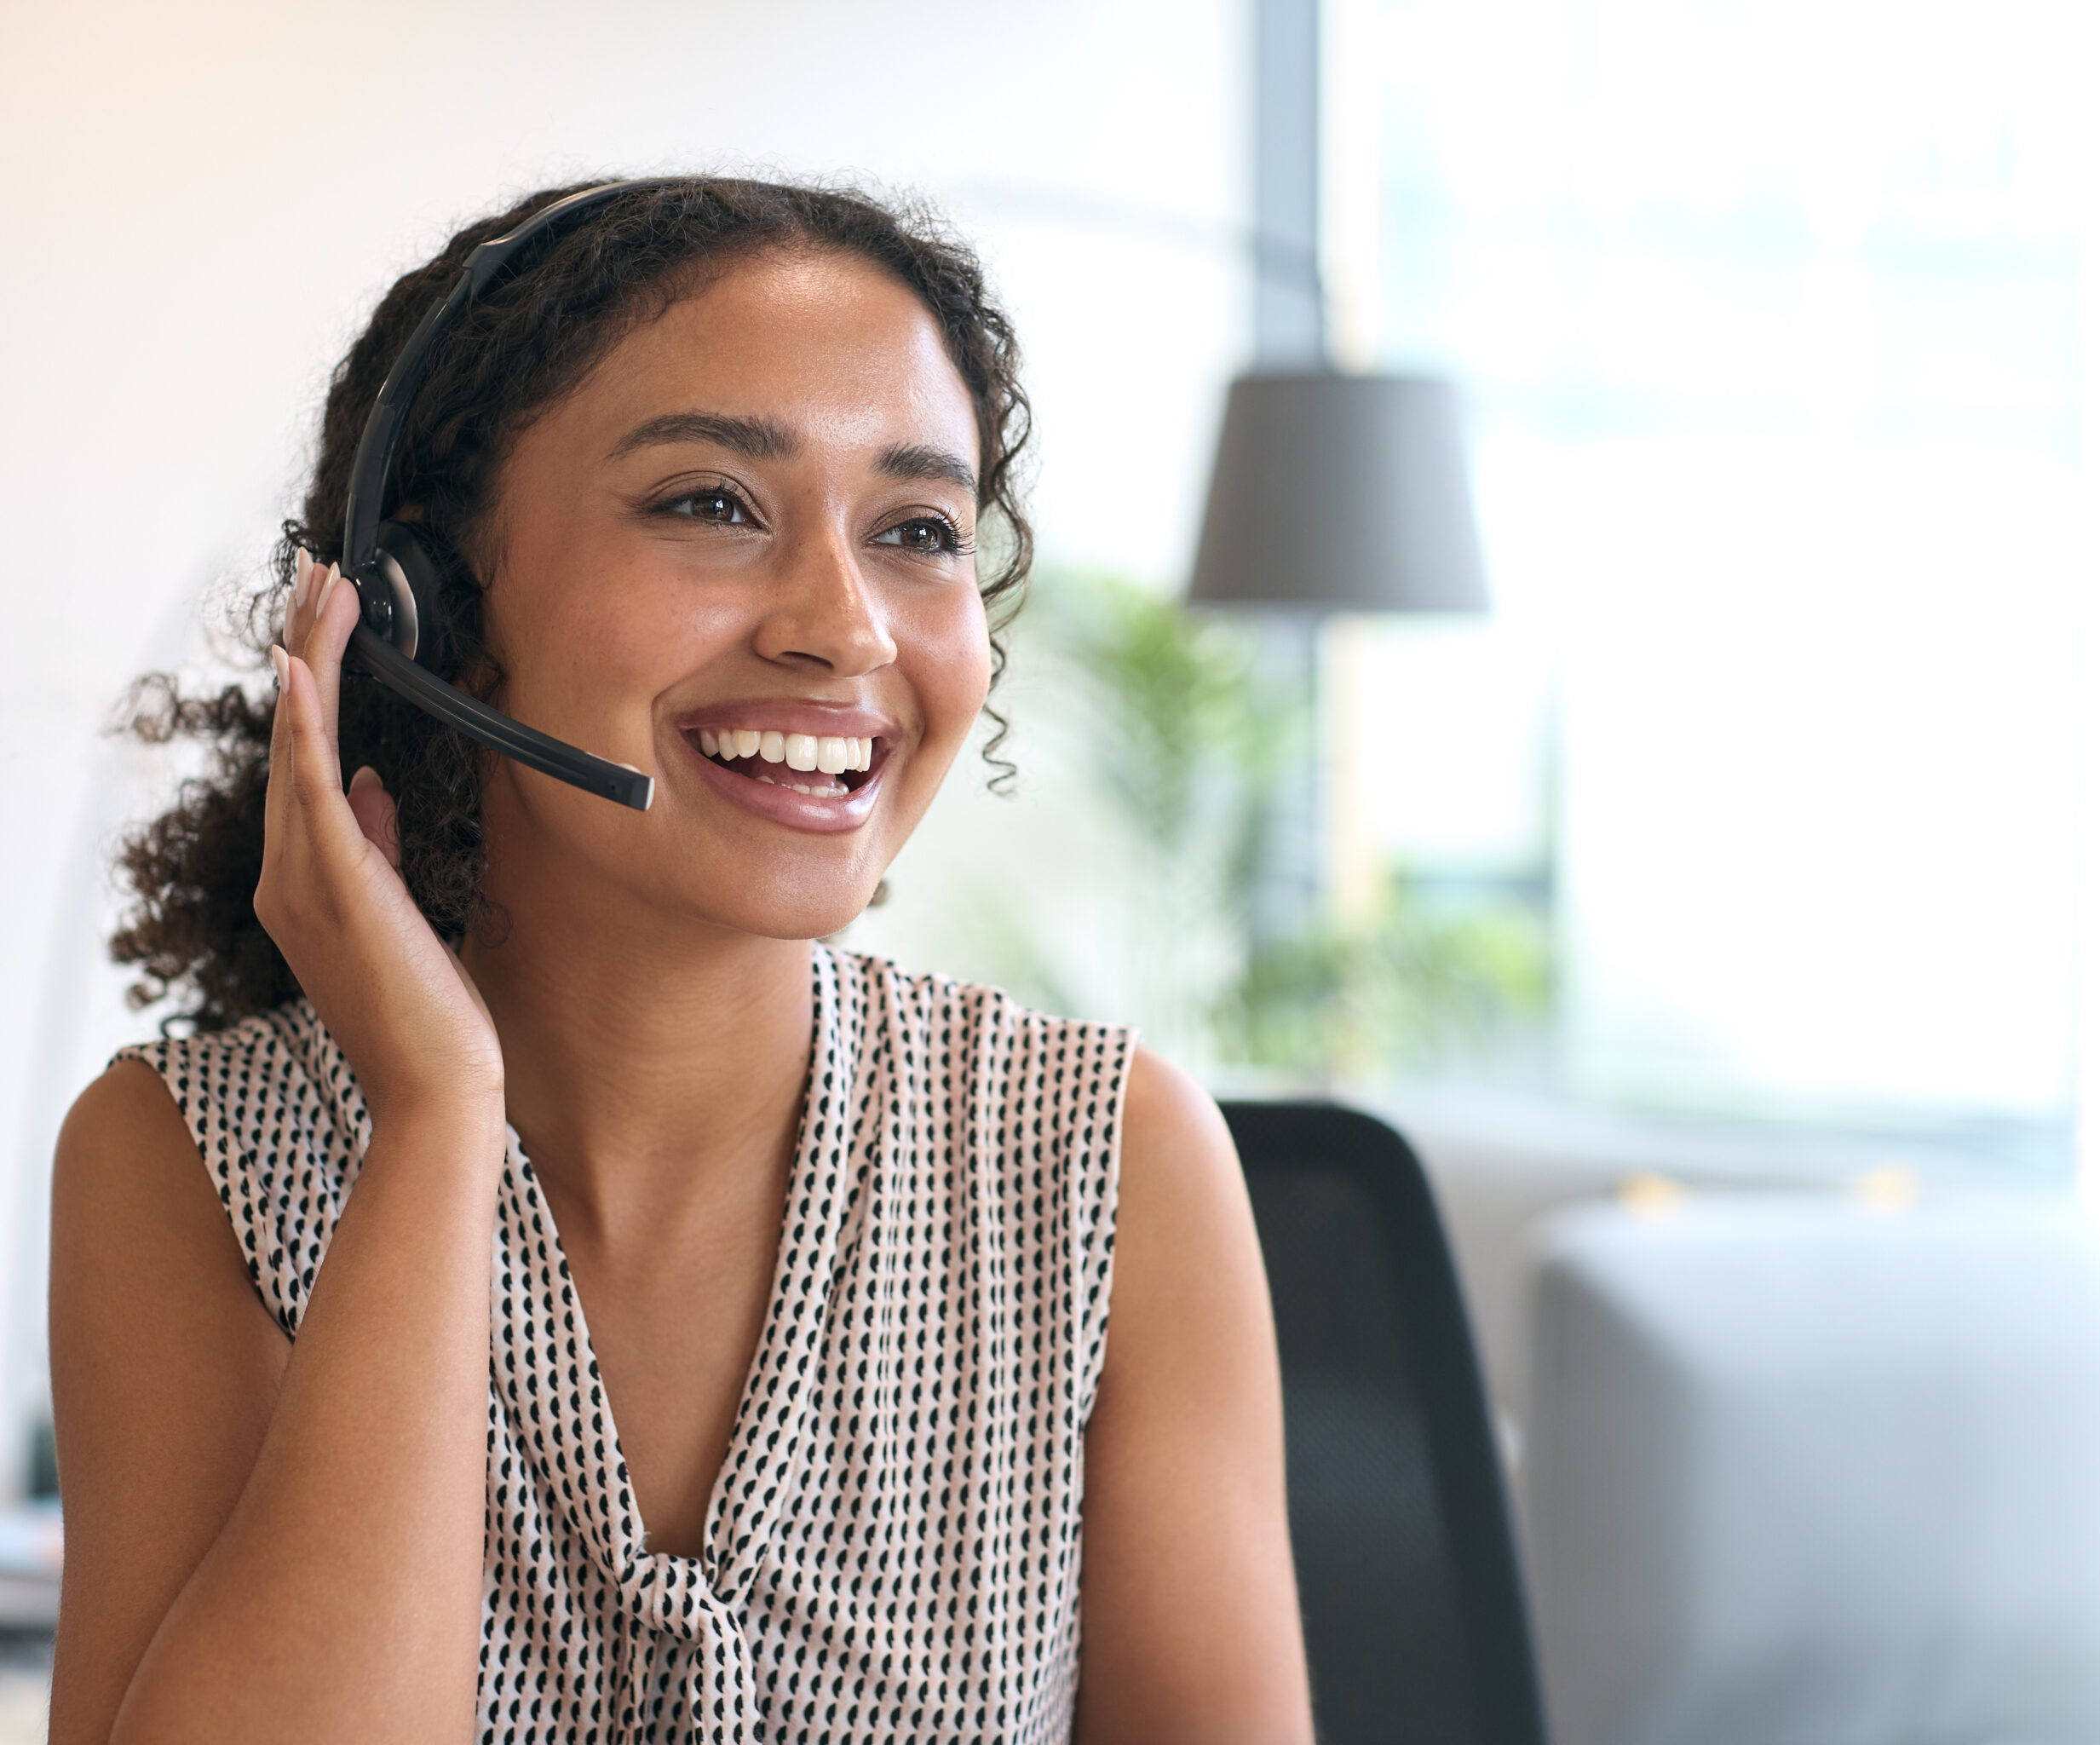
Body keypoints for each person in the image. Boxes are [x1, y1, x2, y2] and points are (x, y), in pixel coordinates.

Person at [45, 176, 1310, 1745]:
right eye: (713, 502)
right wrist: (435, 1125)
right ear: (424, 608)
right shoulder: (191, 1161)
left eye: (918, 531)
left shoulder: (1103, 1162)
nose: (845, 629)